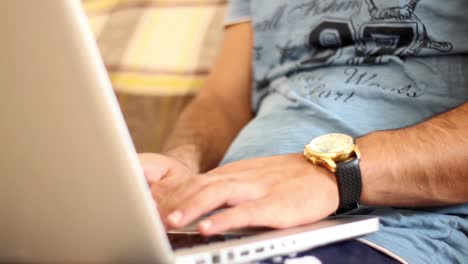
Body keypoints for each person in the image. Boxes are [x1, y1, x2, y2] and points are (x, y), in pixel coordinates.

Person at [139, 1, 468, 263]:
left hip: (396, 229)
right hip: (222, 219)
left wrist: (333, 174)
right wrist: (181, 168)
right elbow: (222, 101)